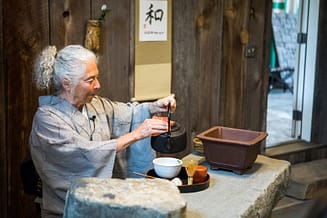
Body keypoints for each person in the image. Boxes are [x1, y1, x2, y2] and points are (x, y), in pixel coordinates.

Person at [29, 44, 176, 217]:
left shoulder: (95, 105)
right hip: (67, 210)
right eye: (90, 80)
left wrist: (154, 106)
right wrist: (137, 134)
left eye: (97, 78)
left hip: (103, 203)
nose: (98, 85)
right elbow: (83, 153)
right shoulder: (47, 119)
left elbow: (129, 114)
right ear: (67, 84)